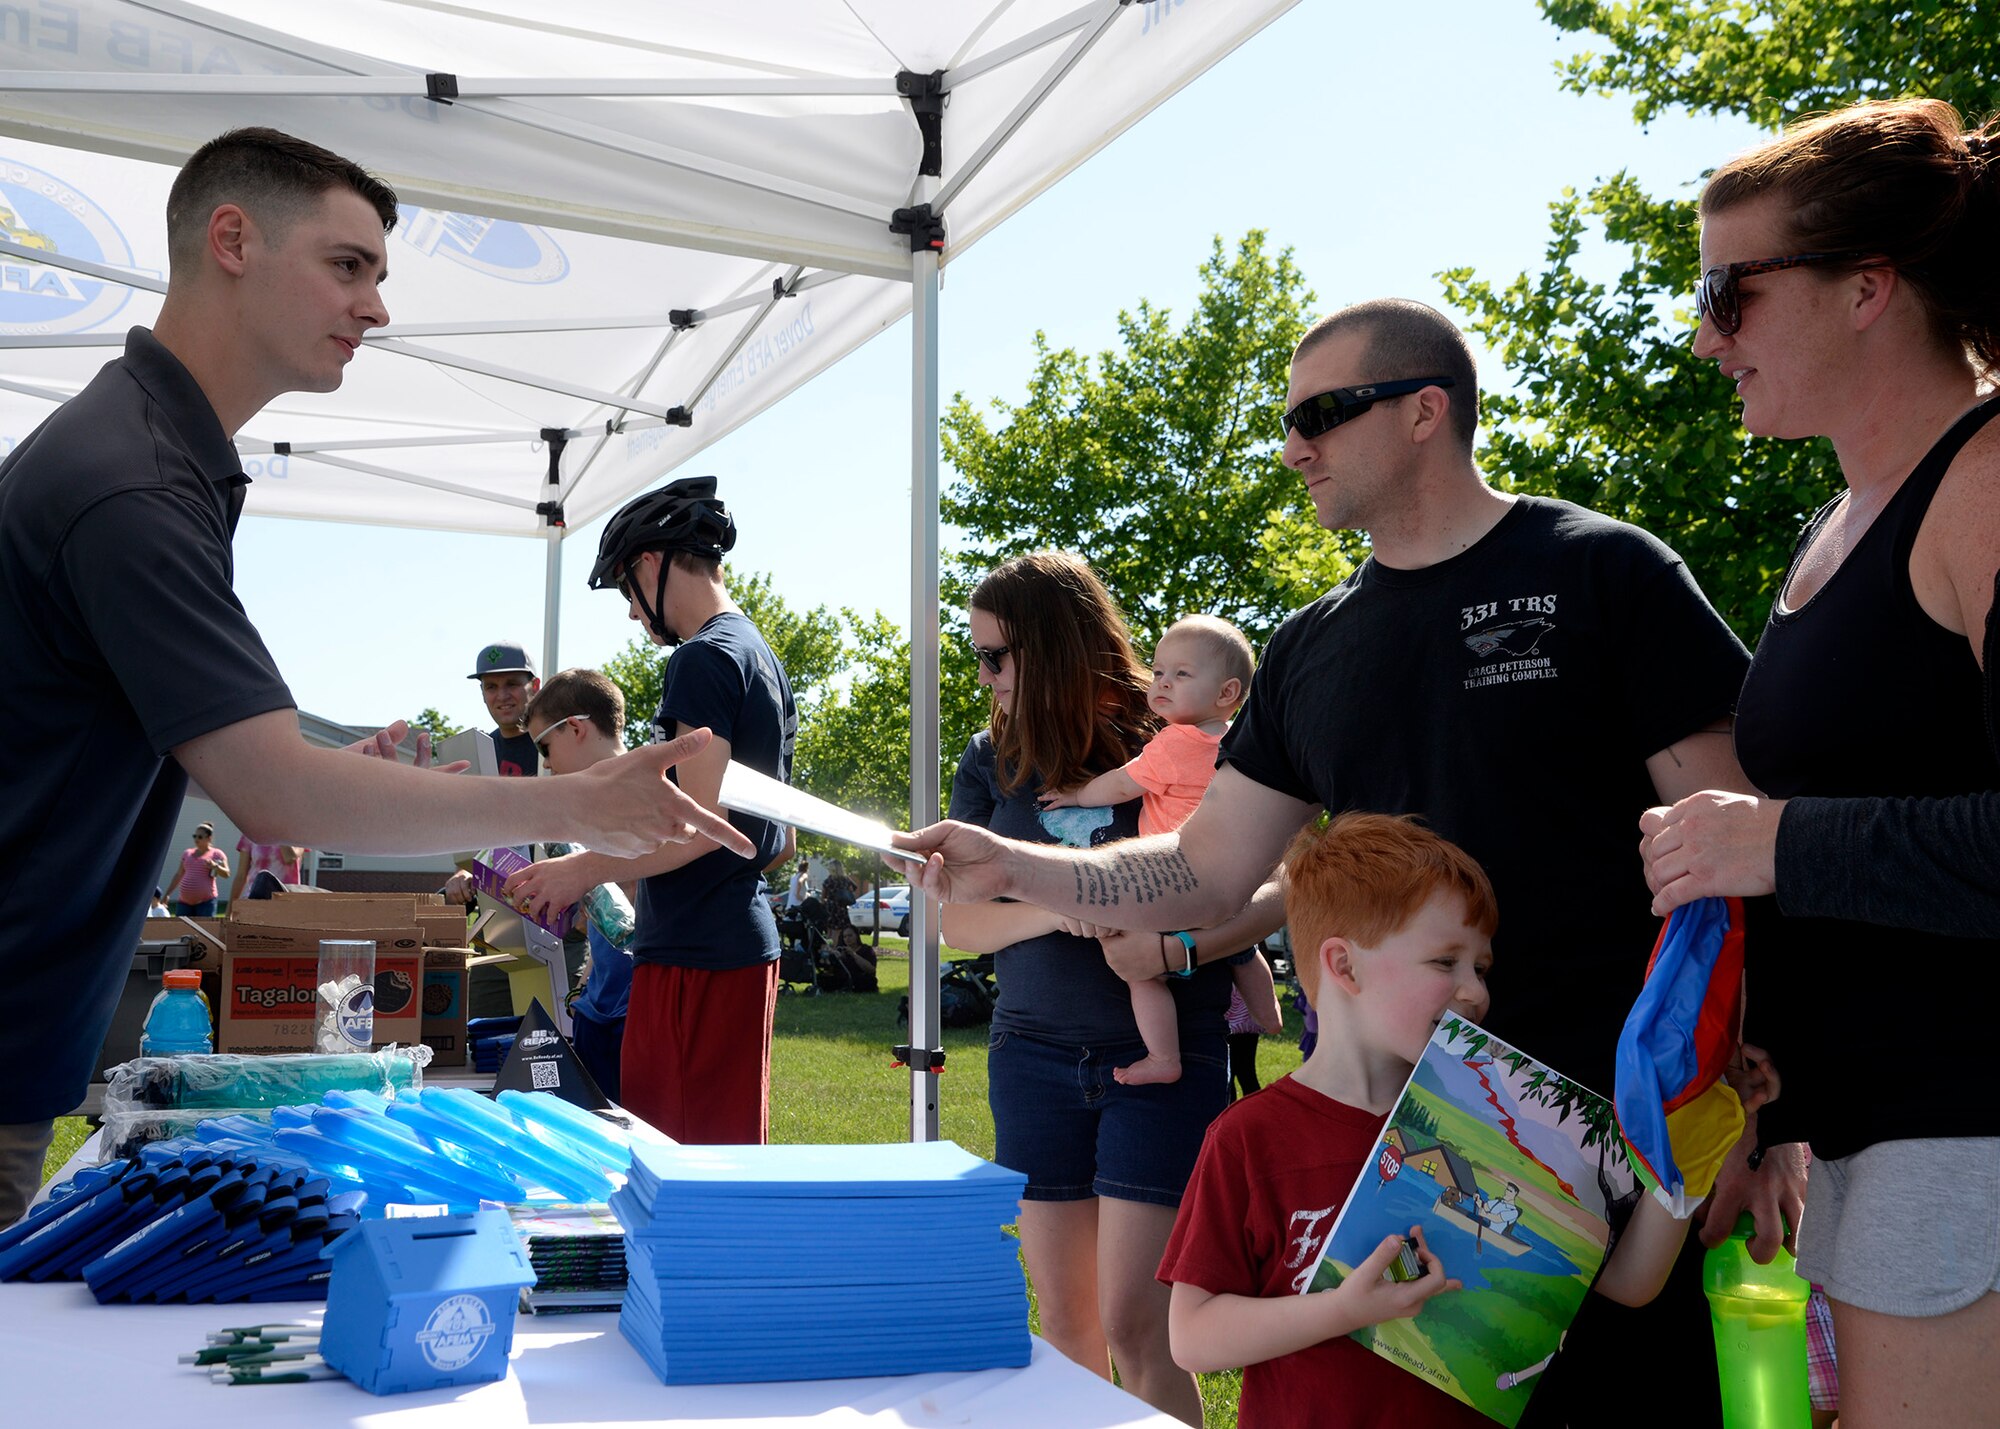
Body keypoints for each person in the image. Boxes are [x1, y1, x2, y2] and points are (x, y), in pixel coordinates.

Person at [903, 299, 1766, 1424]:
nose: (1291, 445)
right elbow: (1208, 868)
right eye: (1287, 418)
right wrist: (1014, 862)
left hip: (1605, 1133)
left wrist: (1755, 1116)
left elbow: (1734, 852)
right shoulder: (1312, 645)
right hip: (1398, 1150)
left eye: (1321, 412)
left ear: (1424, 410)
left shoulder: (1606, 574)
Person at [0, 127, 747, 1228]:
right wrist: (578, 800)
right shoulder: (135, 482)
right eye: (347, 266)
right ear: (232, 240)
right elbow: (273, 793)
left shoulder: (146, 454)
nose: (377, 308)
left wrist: (321, 772)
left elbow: (228, 759)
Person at [1638, 97, 2000, 1423]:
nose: (1702, 334)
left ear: (1866, 287)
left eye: (1729, 293)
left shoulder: (1987, 482)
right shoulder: (1840, 521)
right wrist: (1769, 1103)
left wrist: (1771, 841)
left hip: (1966, 1131)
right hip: (1871, 1136)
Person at [1160, 814, 1725, 1429]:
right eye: (1444, 962)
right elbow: (1192, 1338)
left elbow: (1629, 1281)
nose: (1475, 993)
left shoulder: (1494, 1117)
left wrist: (1688, 1158)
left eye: (1480, 968)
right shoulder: (1250, 1138)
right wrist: (1341, 1309)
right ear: (1345, 967)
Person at [941, 550, 1228, 1425]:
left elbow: (1253, 882)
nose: (984, 675)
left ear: (1057, 648)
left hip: (1161, 1058)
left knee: (1138, 1328)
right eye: (978, 655)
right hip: (1031, 1057)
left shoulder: (1176, 738)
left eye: (996, 655)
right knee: (1067, 1325)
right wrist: (1058, 902)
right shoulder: (992, 759)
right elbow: (960, 927)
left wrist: (1168, 945)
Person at [506, 476, 797, 1146]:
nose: (633, 614)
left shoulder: (702, 658)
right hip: (728, 943)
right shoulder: (757, 653)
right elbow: (762, 833)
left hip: (697, 956)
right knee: (715, 1166)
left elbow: (700, 822)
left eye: (626, 594)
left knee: (675, 1172)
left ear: (650, 563)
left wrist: (583, 869)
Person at [1042, 614, 1283, 1085]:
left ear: (1227, 692)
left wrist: (1074, 794)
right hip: (1232, 878)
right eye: (1157, 672)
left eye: (1181, 674)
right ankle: (1268, 1016)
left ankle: (1162, 1058)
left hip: (1175, 878)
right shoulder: (1241, 741)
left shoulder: (1175, 743)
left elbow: (1118, 786)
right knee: (1242, 952)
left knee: (1141, 974)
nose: (1162, 683)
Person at [521, 669, 639, 1102]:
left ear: (575, 727)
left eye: (545, 748)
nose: (547, 764)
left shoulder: (651, 798)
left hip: (639, 1008)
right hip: (597, 1007)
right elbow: (602, 916)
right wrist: (583, 989)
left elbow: (637, 908)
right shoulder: (585, 811)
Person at [469, 641, 541, 776]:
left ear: (535, 687)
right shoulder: (480, 755)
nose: (502, 696)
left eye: (512, 684)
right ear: (482, 693)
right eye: (491, 687)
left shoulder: (556, 744)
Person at [170, 822, 230, 916]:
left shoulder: (216, 854)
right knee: (180, 930)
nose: (196, 839)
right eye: (195, 836)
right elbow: (179, 874)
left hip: (205, 903)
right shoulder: (187, 853)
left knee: (204, 930)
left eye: (200, 837)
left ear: (209, 838)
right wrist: (167, 894)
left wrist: (215, 866)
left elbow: (227, 874)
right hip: (184, 903)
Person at [229, 837, 306, 905]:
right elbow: (241, 876)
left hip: (286, 900)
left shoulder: (297, 835)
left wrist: (278, 830)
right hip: (256, 899)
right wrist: (230, 910)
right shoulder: (250, 834)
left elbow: (289, 857)